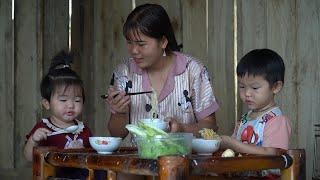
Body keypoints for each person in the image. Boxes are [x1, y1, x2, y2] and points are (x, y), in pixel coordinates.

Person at [106, 3, 220, 139]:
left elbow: (211, 126)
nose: (134, 51)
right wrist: (119, 113)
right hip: (140, 158)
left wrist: (182, 129)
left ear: (163, 42)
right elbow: (116, 134)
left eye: (141, 44)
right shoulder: (124, 73)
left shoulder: (193, 70)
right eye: (130, 42)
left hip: (184, 158)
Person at [220, 49, 292, 178]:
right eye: (242, 87)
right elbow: (233, 150)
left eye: (254, 88)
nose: (247, 93)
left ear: (276, 87)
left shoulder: (277, 120)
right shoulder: (246, 119)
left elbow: (271, 154)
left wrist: (233, 144)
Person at [24, 50, 92, 179]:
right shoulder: (43, 129)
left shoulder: (84, 130)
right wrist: (33, 140)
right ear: (47, 103)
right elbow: (29, 158)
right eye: (63, 100)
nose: (71, 105)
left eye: (77, 100)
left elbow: (92, 157)